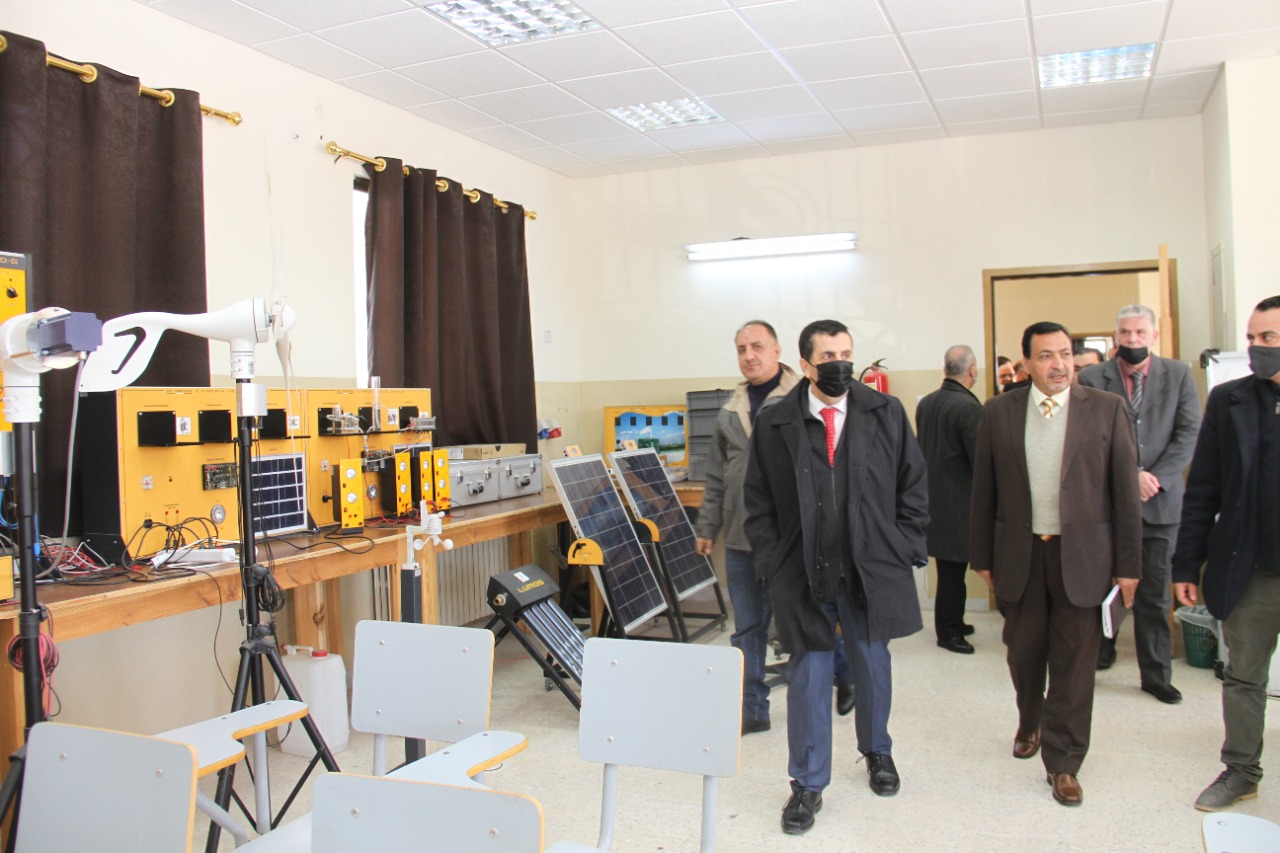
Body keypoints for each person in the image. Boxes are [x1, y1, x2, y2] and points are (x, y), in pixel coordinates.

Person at [745, 319, 928, 835]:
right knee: (809, 672)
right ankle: (807, 783)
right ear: (805, 364)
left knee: (872, 663)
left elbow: (913, 485)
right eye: (828, 356)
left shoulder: (885, 412)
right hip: (803, 570)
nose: (840, 364)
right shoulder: (776, 422)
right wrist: (772, 561)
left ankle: (877, 751)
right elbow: (758, 501)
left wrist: (904, 546)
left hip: (870, 568)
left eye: (846, 354)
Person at [970, 321, 1142, 807]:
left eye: (1065, 353)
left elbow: (1126, 494)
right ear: (1026, 363)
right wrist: (982, 555)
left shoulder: (1106, 409)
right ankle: (1030, 719)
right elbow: (983, 489)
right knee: (1023, 653)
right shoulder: (998, 412)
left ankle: (1064, 762)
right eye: (1046, 356)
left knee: (1075, 662)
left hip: (1084, 557)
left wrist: (1129, 565)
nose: (1058, 364)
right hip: (1021, 554)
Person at [694, 321, 856, 735]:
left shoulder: (803, 398)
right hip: (741, 538)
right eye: (741, 349)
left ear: (777, 351)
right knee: (748, 626)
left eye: (757, 346)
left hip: (792, 541)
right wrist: (707, 526)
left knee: (806, 619)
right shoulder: (730, 410)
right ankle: (753, 708)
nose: (749, 355)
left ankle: (844, 673)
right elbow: (716, 475)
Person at [1173, 295, 1280, 812]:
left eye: (1268, 338)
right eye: (1253, 338)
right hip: (1251, 566)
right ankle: (1241, 770)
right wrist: (1186, 563)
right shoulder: (1230, 400)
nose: (1256, 347)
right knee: (1243, 676)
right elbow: (1203, 489)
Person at [1079, 305, 1201, 700]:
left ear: (1154, 335)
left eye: (1140, 332)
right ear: (1115, 335)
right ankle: (1096, 658)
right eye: (1126, 332)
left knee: (1155, 597)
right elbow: (1086, 437)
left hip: (1160, 505)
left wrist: (1156, 477)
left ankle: (1156, 676)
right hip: (1108, 508)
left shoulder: (1178, 374)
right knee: (1098, 590)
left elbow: (1189, 432)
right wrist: (1129, 474)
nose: (1132, 339)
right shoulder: (1093, 377)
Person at [916, 344, 983, 654]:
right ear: (972, 370)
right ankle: (948, 632)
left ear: (945, 369)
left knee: (949, 571)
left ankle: (955, 621)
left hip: (933, 499)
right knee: (953, 574)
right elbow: (979, 460)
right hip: (959, 503)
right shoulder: (969, 407)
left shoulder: (927, 403)